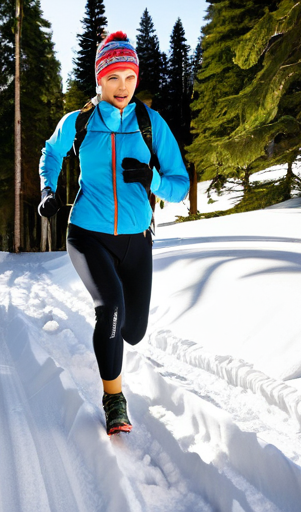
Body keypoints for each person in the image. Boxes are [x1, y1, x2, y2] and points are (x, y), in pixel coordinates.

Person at [37, 31, 189, 436]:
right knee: (112, 307)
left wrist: (152, 178)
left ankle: (112, 346)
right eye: (113, 78)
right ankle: (114, 399)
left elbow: (180, 185)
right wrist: (48, 189)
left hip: (137, 241)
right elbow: (51, 153)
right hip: (87, 233)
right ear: (99, 80)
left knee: (133, 331)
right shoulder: (80, 121)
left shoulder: (150, 124)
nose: (122, 87)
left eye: (129, 78)